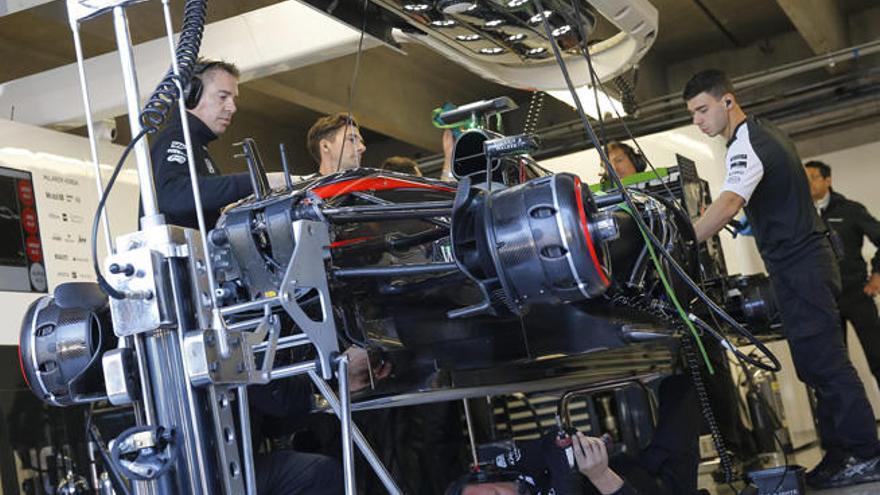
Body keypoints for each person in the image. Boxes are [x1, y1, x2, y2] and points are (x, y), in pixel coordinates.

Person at [683, 68, 880, 489]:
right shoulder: (762, 133)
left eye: (703, 110)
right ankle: (840, 454)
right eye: (692, 114)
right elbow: (768, 196)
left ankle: (866, 454)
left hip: (802, 266)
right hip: (799, 264)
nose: (698, 121)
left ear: (727, 101)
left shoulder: (746, 142)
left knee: (827, 365)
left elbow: (730, 201)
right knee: (814, 366)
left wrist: (682, 242)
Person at [447, 375, 701, 495]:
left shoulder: (501, 465)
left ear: (483, 476)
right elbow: (561, 456)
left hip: (632, 468)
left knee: (684, 382)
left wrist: (569, 477)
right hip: (660, 491)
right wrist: (596, 476)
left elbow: (557, 441)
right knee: (692, 385)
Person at [149, 59, 287, 229]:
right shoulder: (176, 137)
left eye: (233, 99)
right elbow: (172, 195)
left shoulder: (196, 145)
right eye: (223, 97)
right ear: (191, 94)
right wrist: (256, 181)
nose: (232, 107)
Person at [804, 160, 880, 387]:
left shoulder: (850, 210)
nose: (809, 183)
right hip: (824, 300)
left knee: (878, 357)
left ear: (828, 180)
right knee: (835, 366)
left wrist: (877, 274)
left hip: (857, 293)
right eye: (805, 180)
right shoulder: (802, 215)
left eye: (813, 178)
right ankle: (851, 420)